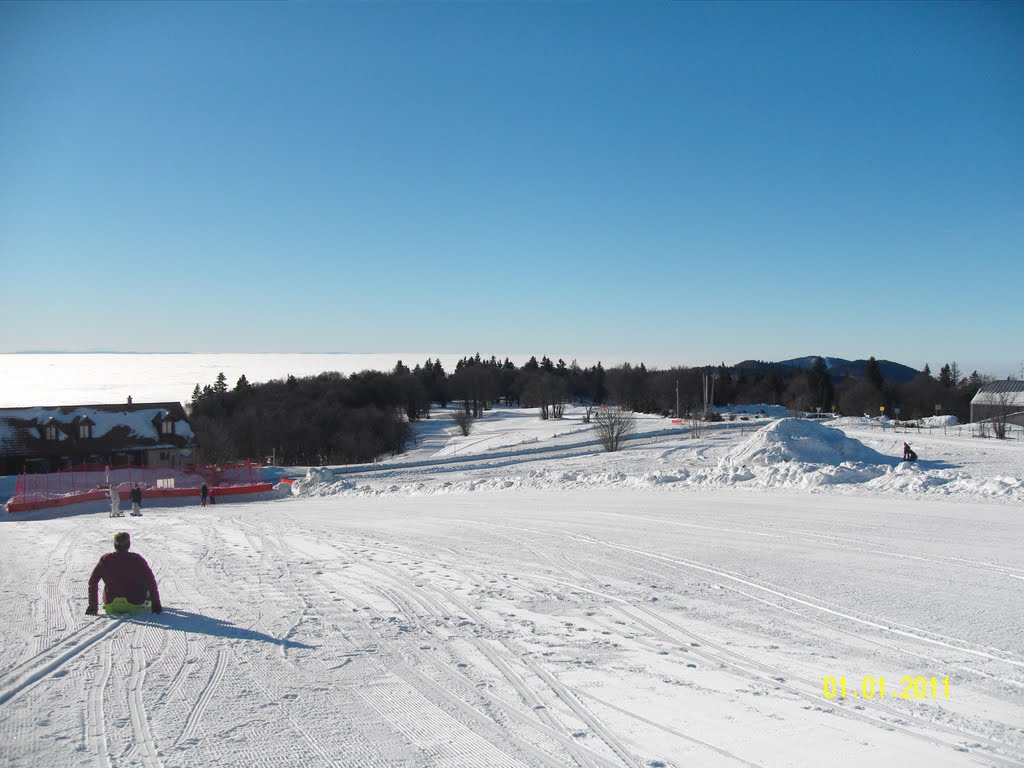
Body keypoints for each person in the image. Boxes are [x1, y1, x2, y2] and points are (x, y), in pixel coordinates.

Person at [86, 532, 162, 615]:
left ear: (115, 545)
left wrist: (93, 606)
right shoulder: (137, 559)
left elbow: (93, 581)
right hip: (135, 602)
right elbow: (151, 581)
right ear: (128, 544)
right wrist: (156, 605)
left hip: (111, 603)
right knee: (145, 581)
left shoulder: (106, 559)